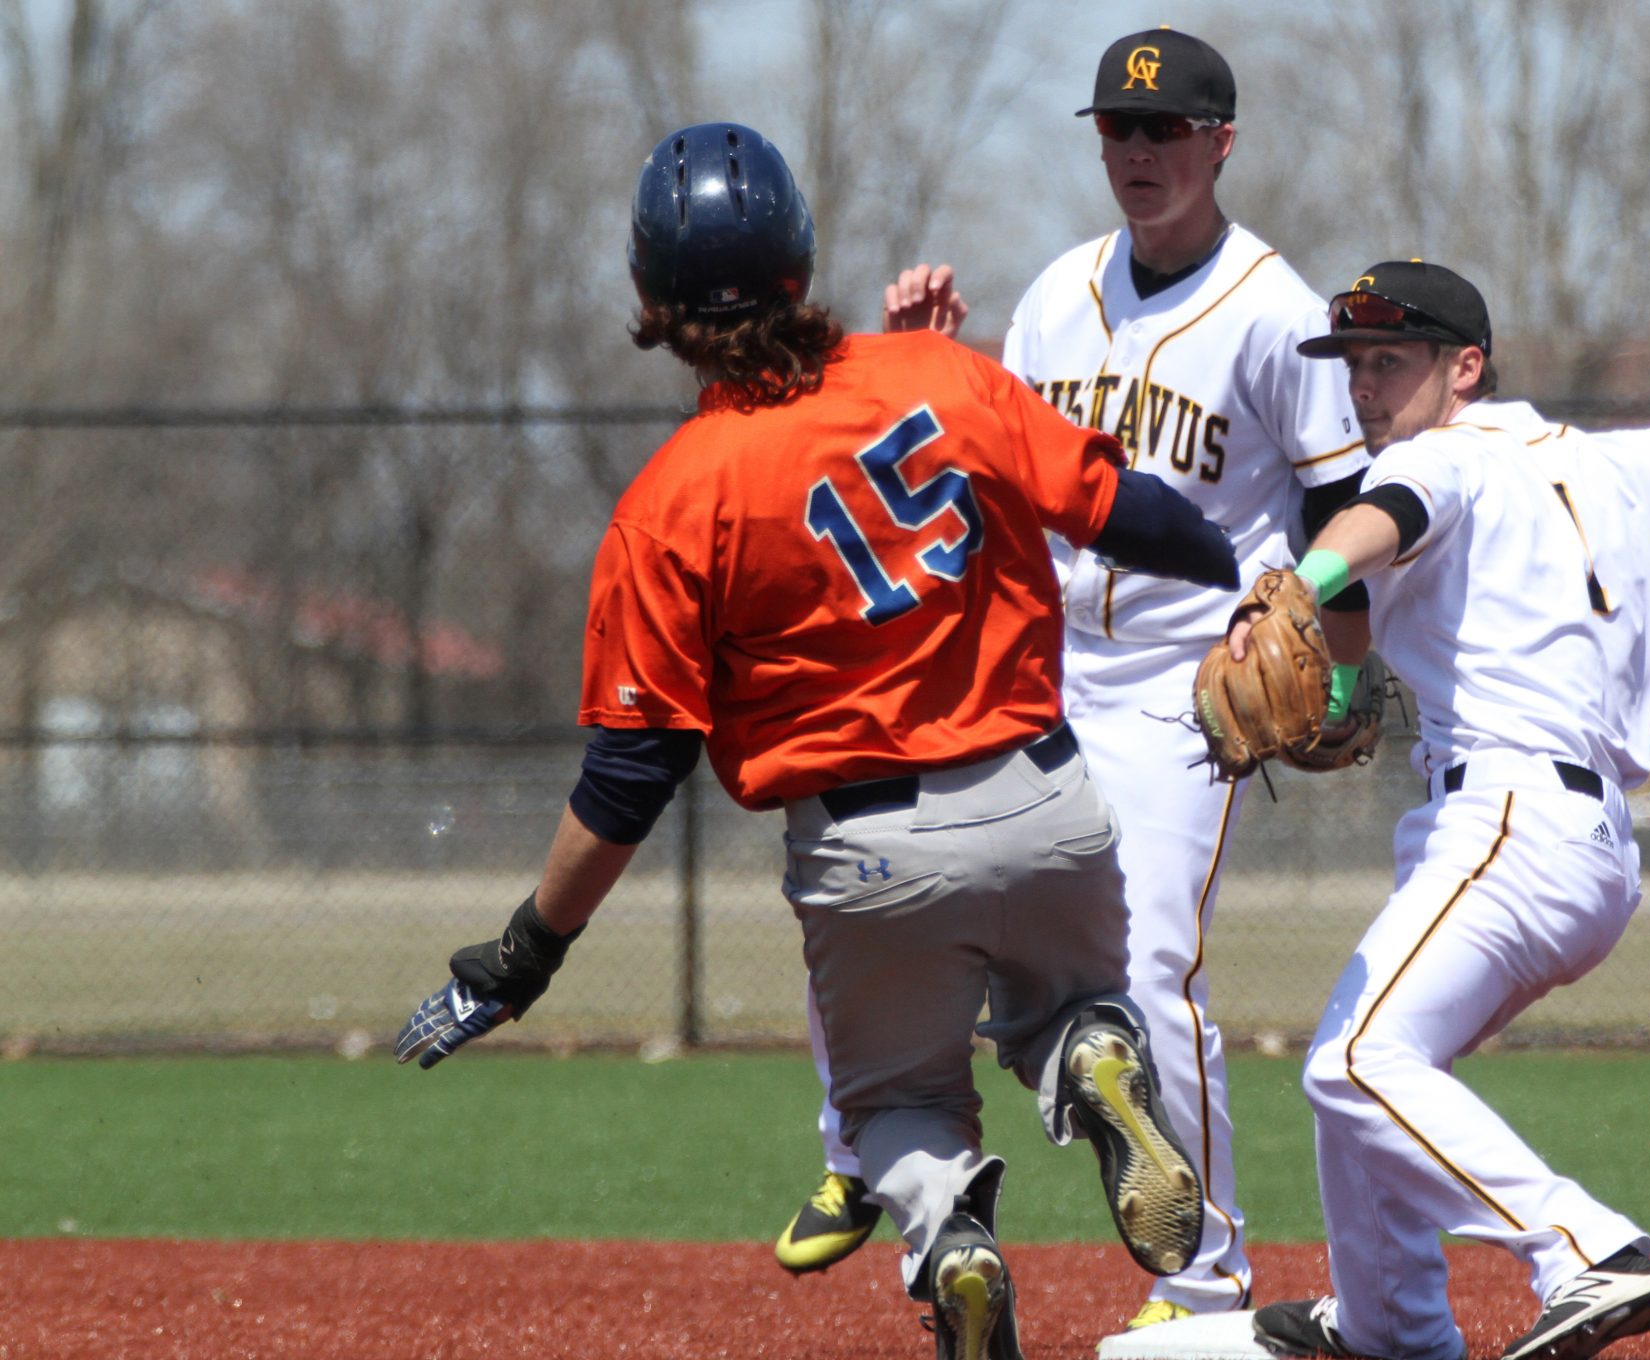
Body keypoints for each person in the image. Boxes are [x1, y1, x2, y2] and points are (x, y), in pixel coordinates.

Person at [391, 122, 1230, 1360]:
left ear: (648, 297)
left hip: (870, 852)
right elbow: (1127, 513)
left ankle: (954, 1243)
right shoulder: (944, 378)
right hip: (1046, 799)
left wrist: (523, 953)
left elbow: (631, 777)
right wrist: (1264, 581)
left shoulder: (674, 499)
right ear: (801, 256)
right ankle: (1089, 1053)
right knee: (1071, 1005)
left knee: (897, 1108)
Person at [775, 27, 1371, 1335]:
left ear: (1224, 141)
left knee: (1150, 965)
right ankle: (871, 1161)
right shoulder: (1054, 298)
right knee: (890, 877)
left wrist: (1339, 657)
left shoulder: (1277, 315)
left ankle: (1203, 1284)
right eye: (1118, 130)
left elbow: (1350, 513)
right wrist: (933, 363)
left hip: (1185, 686)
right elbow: (981, 465)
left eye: (1166, 130)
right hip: (1038, 673)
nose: (1140, 153)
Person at [1124, 261, 1650, 1360]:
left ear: (1465, 367)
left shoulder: (1436, 457)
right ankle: (1391, 1326)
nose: (1362, 387)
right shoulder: (1628, 463)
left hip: (1508, 820)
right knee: (1367, 1070)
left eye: (1388, 362)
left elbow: (1387, 520)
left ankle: (1581, 1248)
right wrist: (1348, 685)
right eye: (1350, 364)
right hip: (1586, 852)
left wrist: (1299, 581)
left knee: (1351, 1065)